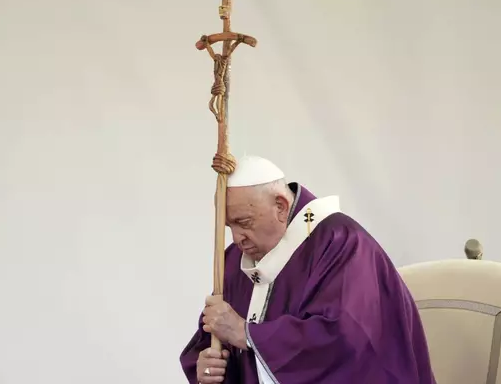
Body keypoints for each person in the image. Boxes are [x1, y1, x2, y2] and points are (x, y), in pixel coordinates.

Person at [179, 155, 436, 384]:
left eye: (243, 223)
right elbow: (218, 341)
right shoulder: (235, 259)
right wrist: (210, 367)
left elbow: (346, 339)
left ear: (280, 206)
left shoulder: (342, 243)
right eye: (229, 226)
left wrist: (247, 334)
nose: (237, 238)